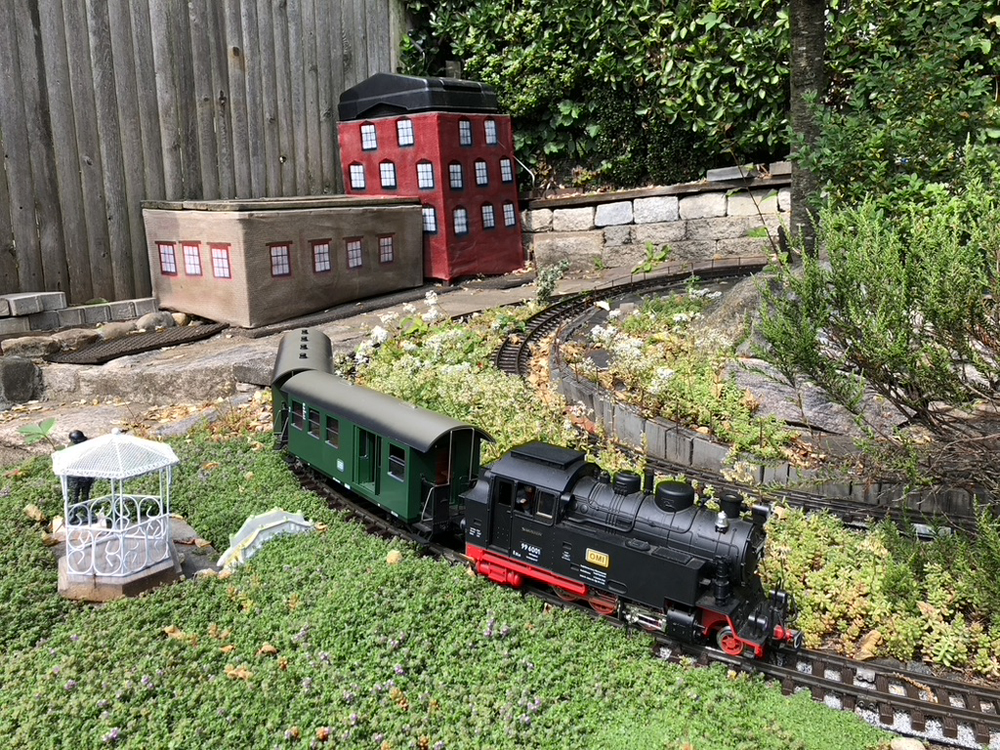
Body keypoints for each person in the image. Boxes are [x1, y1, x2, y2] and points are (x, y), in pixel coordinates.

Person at [66, 430, 96, 513]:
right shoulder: (71, 448)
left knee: (85, 494)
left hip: (87, 475)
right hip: (75, 476)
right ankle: (74, 513)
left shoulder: (87, 445)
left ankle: (85, 511)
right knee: (74, 495)